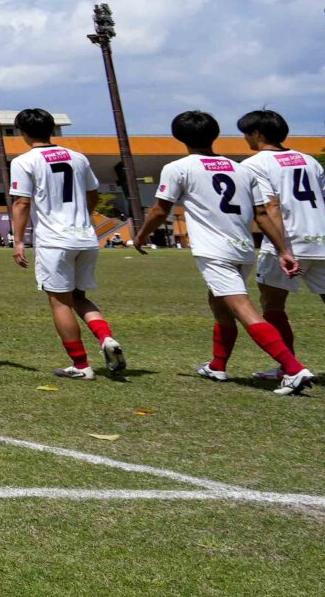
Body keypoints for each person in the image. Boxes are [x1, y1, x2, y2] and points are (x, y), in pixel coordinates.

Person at [129, 110, 306, 392]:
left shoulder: (179, 167)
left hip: (214, 251)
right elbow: (261, 214)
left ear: (179, 137)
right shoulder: (241, 168)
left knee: (244, 310)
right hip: (243, 249)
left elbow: (160, 209)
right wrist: (283, 249)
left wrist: (140, 236)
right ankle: (218, 366)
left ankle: (293, 369)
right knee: (218, 304)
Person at [7, 107, 125, 381]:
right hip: (85, 237)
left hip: (54, 241)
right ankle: (106, 337)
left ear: (23, 133)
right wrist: (83, 217)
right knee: (79, 297)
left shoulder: (24, 161)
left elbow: (22, 202)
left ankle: (81, 365)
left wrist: (18, 242)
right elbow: (93, 195)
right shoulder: (78, 157)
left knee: (60, 302)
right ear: (51, 129)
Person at [239, 109, 325, 389]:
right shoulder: (309, 160)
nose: (246, 139)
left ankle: (286, 368)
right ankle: (285, 367)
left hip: (286, 244)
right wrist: (316, 226)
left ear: (258, 134)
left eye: (246, 133)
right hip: (323, 242)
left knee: (272, 304)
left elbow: (270, 206)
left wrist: (282, 247)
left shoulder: (254, 164)